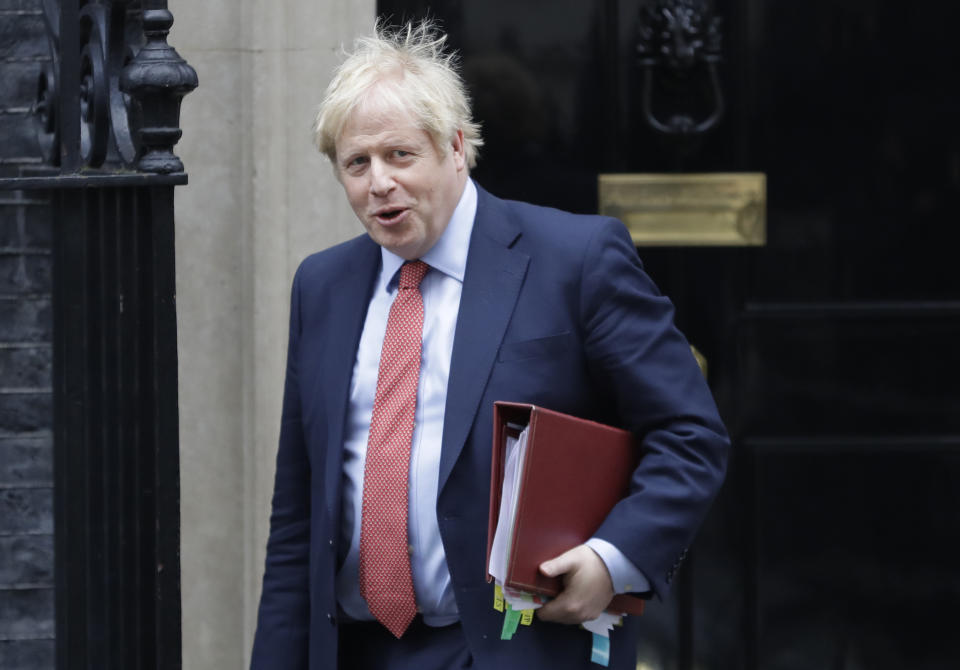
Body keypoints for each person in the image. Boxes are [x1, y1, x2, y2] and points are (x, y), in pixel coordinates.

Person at [250, 20, 729, 670]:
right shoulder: (322, 286)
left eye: (399, 155)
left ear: (454, 147)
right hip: (356, 650)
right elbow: (298, 514)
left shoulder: (576, 259)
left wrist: (612, 560)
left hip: (515, 648)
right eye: (355, 163)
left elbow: (689, 434)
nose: (378, 183)